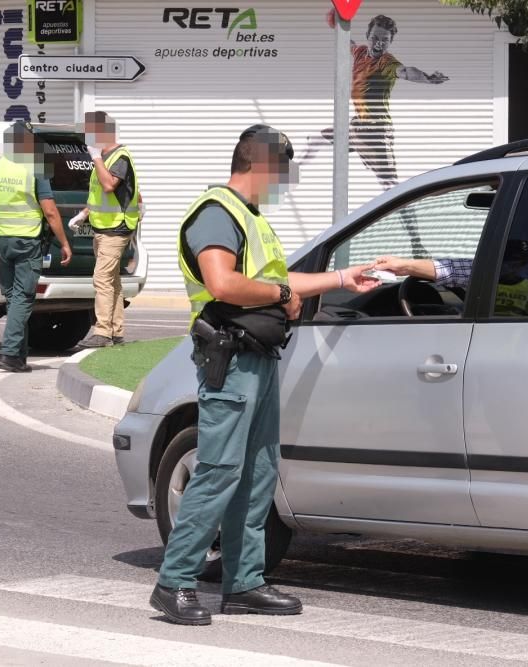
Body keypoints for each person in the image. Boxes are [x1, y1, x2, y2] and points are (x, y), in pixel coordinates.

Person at [150, 125, 379, 626]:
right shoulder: (217, 214)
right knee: (218, 473)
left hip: (258, 358)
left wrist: (343, 278)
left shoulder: (251, 218)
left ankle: (245, 582)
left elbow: (279, 277)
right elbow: (222, 282)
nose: (285, 183)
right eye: (283, 172)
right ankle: (174, 582)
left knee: (257, 474)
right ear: (260, 165)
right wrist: (279, 298)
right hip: (230, 362)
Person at [301, 12, 449, 190]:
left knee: (389, 184)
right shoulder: (360, 53)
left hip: (376, 131)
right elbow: (348, 44)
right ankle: (295, 168)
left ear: (390, 42)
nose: (379, 42)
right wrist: (338, 27)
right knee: (318, 138)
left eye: (385, 39)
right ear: (368, 37)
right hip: (359, 126)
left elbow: (406, 71)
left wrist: (427, 78)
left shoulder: (387, 63)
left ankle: (407, 214)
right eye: (375, 38)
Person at [0, 121, 72, 372]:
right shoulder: (35, 167)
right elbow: (50, 211)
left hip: (1, 240)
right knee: (23, 297)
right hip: (27, 240)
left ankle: (19, 356)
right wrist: (64, 243)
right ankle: (10, 353)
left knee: (13, 298)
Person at [74, 111, 141, 348]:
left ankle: (102, 333)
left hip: (116, 227)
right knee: (111, 280)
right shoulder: (104, 157)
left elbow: (109, 185)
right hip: (102, 226)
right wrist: (84, 214)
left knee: (101, 279)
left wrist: (96, 159)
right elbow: (99, 195)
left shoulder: (118, 156)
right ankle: (116, 331)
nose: (87, 136)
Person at [374, 239, 528, 316]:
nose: (512, 266)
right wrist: (404, 265)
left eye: (519, 262)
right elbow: (450, 271)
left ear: (526, 264)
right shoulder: (481, 277)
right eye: (508, 260)